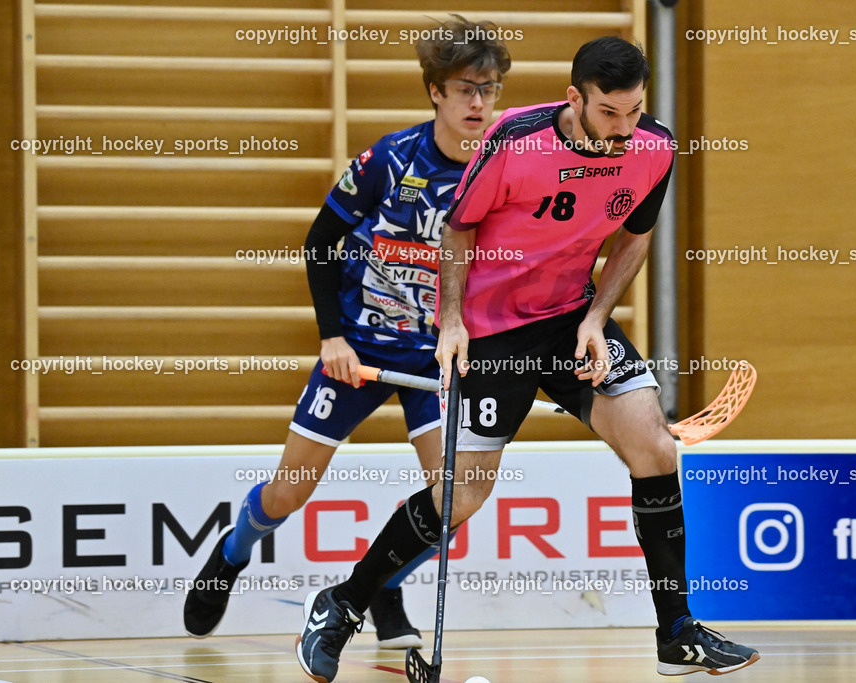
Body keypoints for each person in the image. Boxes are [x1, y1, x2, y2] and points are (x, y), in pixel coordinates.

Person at [295, 36, 760, 681]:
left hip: (571, 320)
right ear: (575, 99)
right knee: (462, 496)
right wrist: (453, 320)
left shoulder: (653, 147)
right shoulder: (515, 140)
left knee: (655, 449)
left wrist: (598, 318)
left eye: (633, 111)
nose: (622, 129)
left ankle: (676, 633)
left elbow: (636, 236)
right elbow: (459, 227)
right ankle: (343, 604)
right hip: (493, 331)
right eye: (607, 113)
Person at [182, 15, 511, 652]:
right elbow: (320, 245)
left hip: (433, 357)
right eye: (466, 88)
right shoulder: (389, 159)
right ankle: (229, 553)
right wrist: (332, 337)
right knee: (289, 491)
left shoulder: (503, 171)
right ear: (435, 92)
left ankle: (381, 584)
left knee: (456, 500)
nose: (479, 102)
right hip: (356, 351)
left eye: (490, 88)